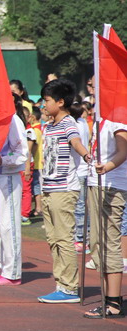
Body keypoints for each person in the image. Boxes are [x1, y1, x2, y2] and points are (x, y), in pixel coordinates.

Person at [37, 79, 91, 304]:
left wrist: (87, 154)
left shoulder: (69, 123)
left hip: (63, 189)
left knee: (64, 238)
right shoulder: (49, 125)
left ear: (60, 102)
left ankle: (69, 288)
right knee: (53, 239)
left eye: (46, 101)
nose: (43, 105)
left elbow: (76, 142)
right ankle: (61, 283)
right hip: (49, 188)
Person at [0, 93, 28, 285]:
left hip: (8, 177)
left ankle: (13, 272)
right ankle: (4, 268)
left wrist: (5, 161)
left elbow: (22, 153)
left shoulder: (14, 121)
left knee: (8, 225)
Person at [84, 118, 127, 318]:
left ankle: (113, 302)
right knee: (98, 243)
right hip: (97, 183)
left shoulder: (117, 118)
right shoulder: (101, 117)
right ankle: (108, 298)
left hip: (112, 186)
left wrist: (107, 167)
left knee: (109, 242)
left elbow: (124, 150)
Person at [70, 101, 91, 254]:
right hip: (83, 170)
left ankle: (81, 239)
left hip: (79, 170)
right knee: (82, 206)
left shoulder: (76, 124)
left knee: (79, 207)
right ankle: (83, 238)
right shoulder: (83, 122)